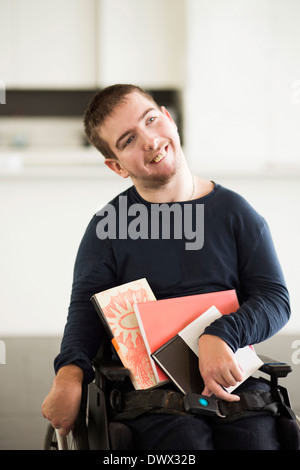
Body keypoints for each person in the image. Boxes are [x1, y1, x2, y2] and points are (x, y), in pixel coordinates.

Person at [42, 84, 291, 450]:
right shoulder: (108, 227)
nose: (150, 140)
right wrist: (68, 376)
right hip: (150, 397)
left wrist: (222, 334)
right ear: (116, 166)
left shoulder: (237, 215)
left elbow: (274, 299)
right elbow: (85, 311)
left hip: (234, 381)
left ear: (169, 119)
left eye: (152, 120)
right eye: (128, 140)